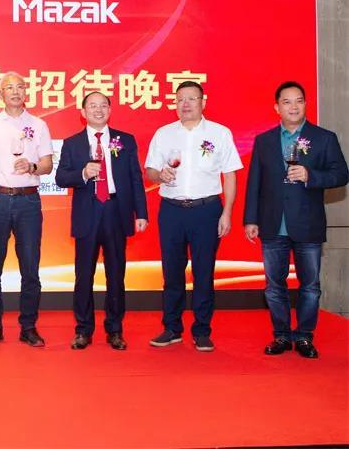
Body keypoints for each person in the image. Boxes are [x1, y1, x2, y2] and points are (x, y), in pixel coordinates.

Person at [244, 81, 348, 359]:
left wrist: (311, 175)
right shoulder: (264, 140)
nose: (293, 107)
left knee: (310, 286)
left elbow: (341, 174)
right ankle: (281, 335)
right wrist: (250, 219)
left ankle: (303, 336)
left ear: (305, 104)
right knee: (273, 286)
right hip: (272, 223)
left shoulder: (324, 138)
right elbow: (254, 182)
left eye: (299, 101)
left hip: (308, 223)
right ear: (276, 107)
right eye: (287, 102)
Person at [145, 81, 242, 352]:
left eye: (191, 98)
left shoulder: (219, 133)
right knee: (171, 272)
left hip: (206, 210)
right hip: (172, 210)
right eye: (180, 99)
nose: (185, 104)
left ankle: (201, 330)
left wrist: (227, 212)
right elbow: (150, 171)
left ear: (203, 102)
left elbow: (230, 175)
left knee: (203, 272)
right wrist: (159, 175)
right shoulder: (164, 134)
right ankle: (172, 328)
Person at [55, 92, 148, 351]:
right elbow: (61, 177)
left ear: (110, 110)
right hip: (88, 212)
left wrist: (141, 213)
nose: (98, 110)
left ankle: (115, 329)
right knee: (83, 275)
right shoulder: (72, 143)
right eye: (92, 106)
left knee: (116, 274)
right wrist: (83, 173)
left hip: (116, 211)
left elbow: (135, 178)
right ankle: (83, 330)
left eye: (103, 105)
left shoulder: (124, 140)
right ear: (83, 112)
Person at [0, 72, 54, 347]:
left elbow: (47, 164)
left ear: (26, 92)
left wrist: (32, 166)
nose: (15, 91)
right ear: (1, 94)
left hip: (28, 201)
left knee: (30, 268)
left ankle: (28, 327)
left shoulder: (39, 125)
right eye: (9, 87)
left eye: (20, 87)